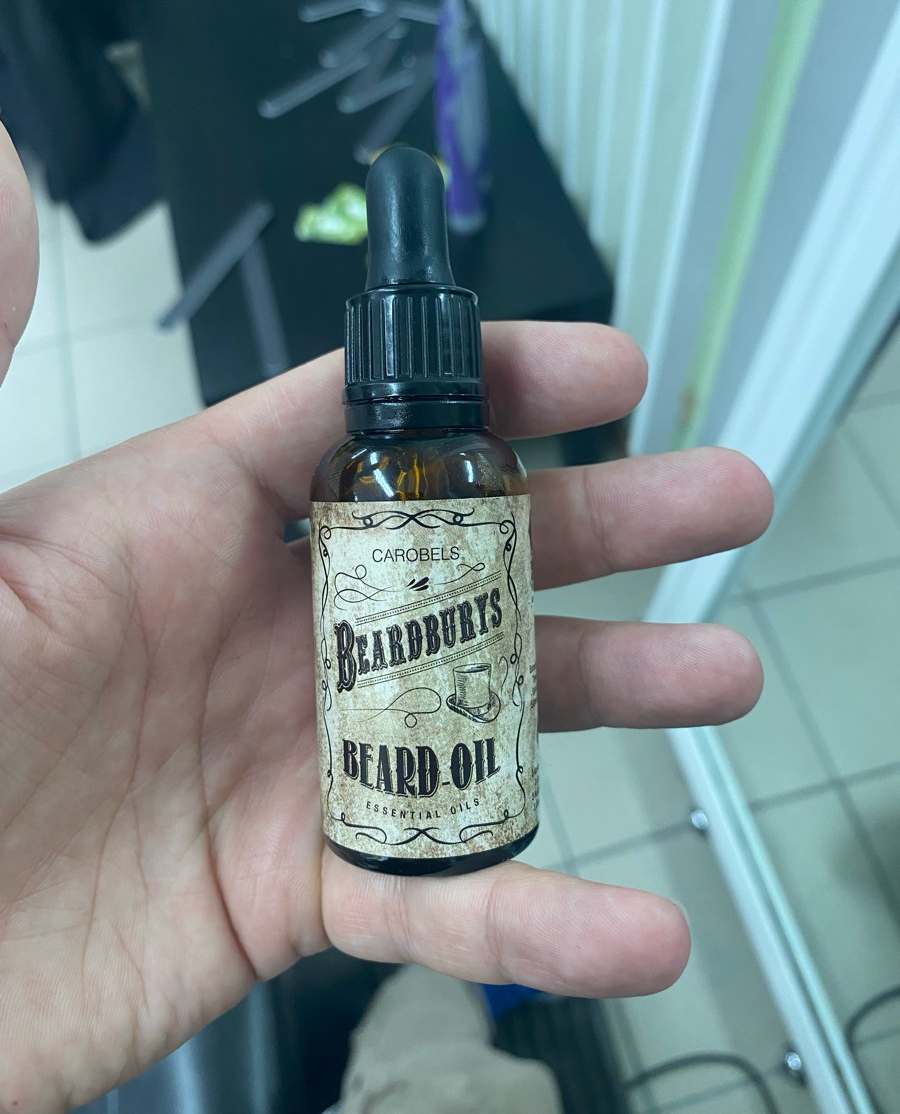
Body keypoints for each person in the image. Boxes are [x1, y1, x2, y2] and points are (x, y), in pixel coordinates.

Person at [0, 123, 772, 1112]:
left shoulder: (478, 467)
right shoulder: (356, 475)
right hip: (364, 818)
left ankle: (426, 1002)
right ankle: (435, 1002)